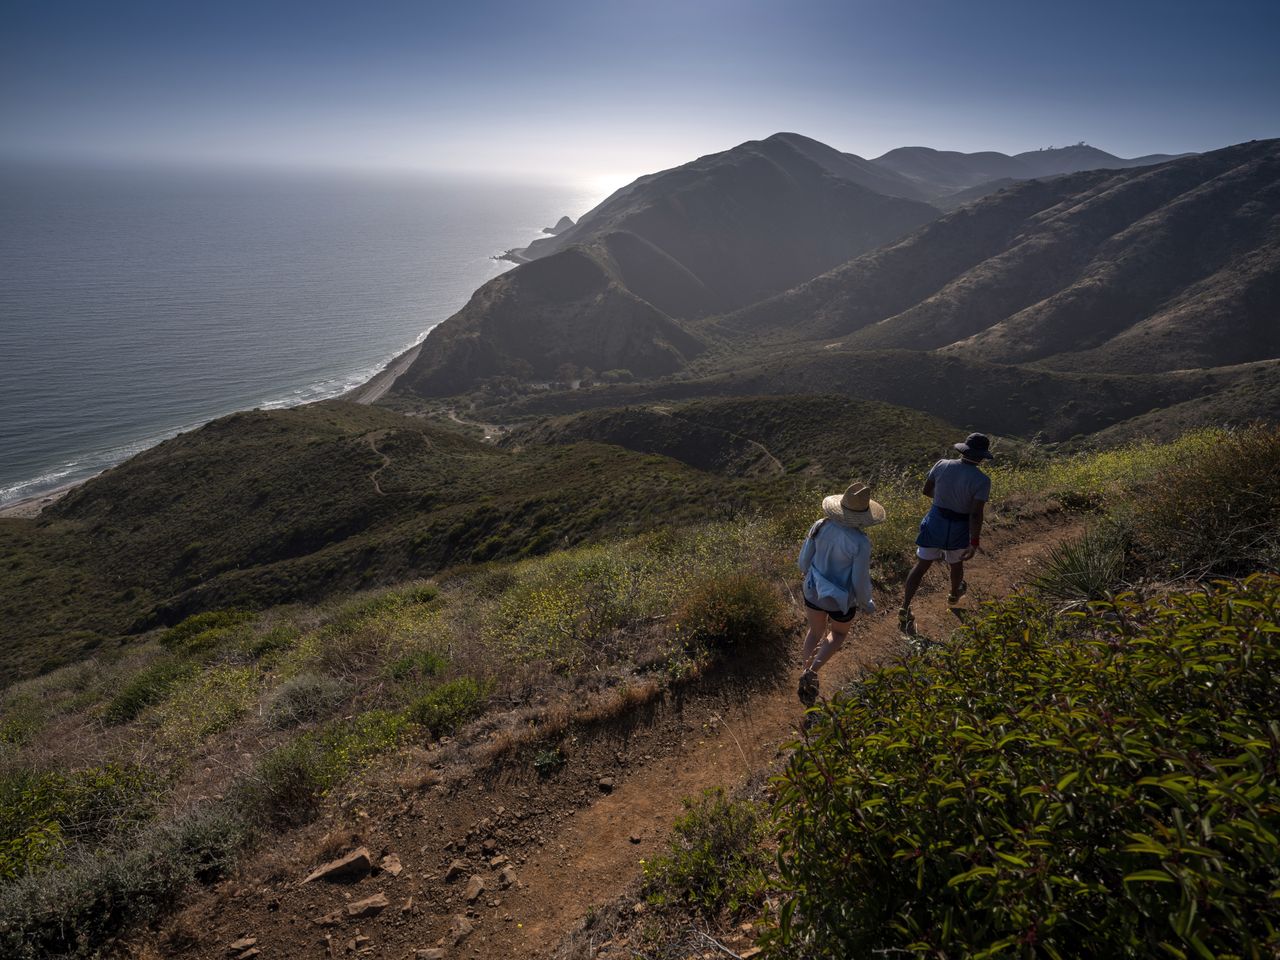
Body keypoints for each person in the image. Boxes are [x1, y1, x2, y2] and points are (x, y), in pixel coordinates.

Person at [795, 482, 885, 706]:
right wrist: (867, 603)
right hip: (841, 600)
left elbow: (803, 561)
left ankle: (805, 669)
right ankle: (813, 671)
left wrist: (808, 575)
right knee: (838, 634)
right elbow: (859, 579)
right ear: (863, 516)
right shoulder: (861, 542)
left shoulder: (821, 525)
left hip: (813, 590)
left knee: (814, 632)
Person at [898, 433, 993, 634]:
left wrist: (943, 498)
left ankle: (904, 607)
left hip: (935, 521)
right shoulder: (982, 480)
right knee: (956, 563)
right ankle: (953, 595)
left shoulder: (942, 464)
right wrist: (974, 542)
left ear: (963, 449)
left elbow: (926, 491)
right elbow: (976, 514)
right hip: (958, 527)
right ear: (982, 456)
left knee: (921, 565)